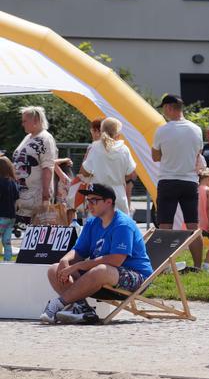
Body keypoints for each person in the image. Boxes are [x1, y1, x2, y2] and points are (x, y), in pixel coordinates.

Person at [41, 184, 153, 324]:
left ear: (108, 202)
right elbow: (79, 250)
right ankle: (84, 311)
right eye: (88, 200)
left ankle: (56, 305)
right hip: (103, 277)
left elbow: (115, 260)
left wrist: (78, 266)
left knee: (100, 270)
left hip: (136, 278)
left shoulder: (122, 225)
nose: (89, 205)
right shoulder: (92, 222)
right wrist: (66, 260)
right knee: (54, 269)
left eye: (94, 200)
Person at [151, 94, 204, 270]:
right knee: (193, 227)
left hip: (168, 180)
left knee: (165, 225)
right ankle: (198, 266)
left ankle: (162, 265)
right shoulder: (196, 129)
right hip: (189, 181)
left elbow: (155, 156)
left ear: (169, 108)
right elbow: (198, 154)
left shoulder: (162, 130)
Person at [81, 117, 136, 215]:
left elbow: (84, 172)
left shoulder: (95, 147)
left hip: (98, 195)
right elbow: (130, 174)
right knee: (119, 227)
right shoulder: (124, 149)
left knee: (97, 227)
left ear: (101, 131)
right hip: (118, 195)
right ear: (118, 134)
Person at [13, 106, 57, 224]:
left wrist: (46, 195)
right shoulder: (28, 137)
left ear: (36, 121)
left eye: (25, 121)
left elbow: (48, 167)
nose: (22, 124)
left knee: (37, 233)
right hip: (23, 196)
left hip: (36, 197)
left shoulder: (45, 139)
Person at [0, 156, 20, 262]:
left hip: (1, 216)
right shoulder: (13, 182)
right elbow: (16, 200)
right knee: (7, 240)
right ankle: (7, 260)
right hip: (11, 217)